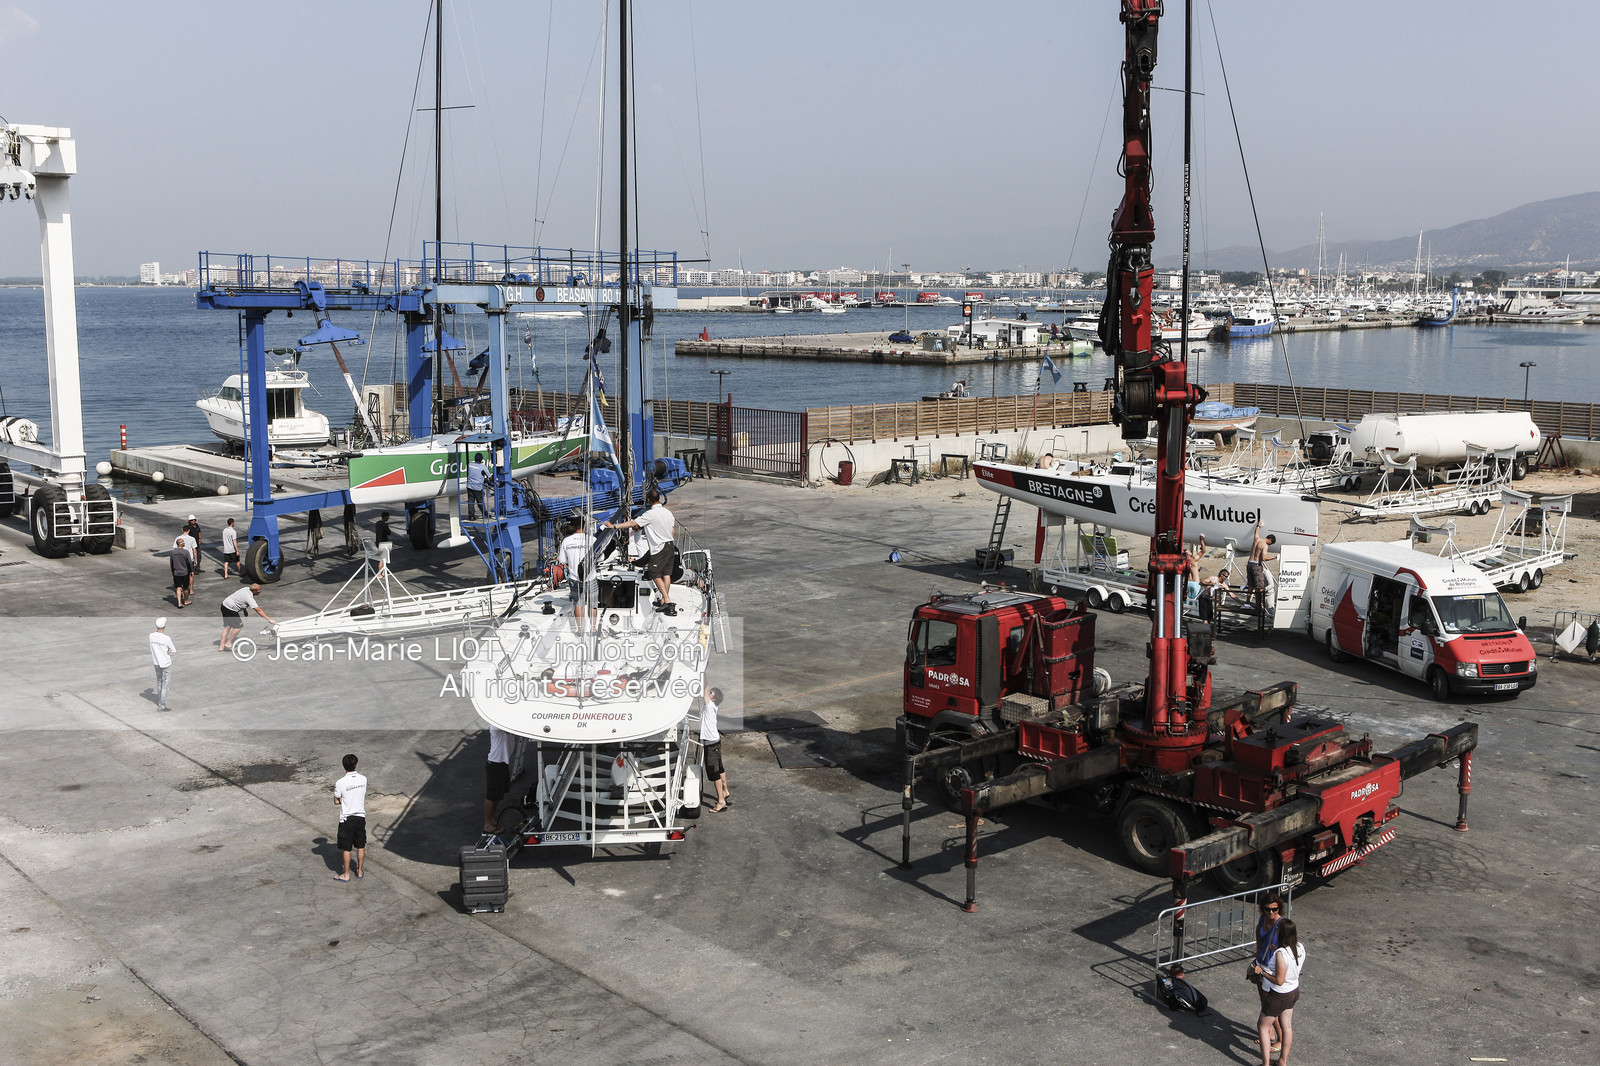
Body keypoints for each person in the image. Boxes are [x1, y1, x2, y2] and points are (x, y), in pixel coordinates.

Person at [604, 489, 678, 615]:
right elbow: (672, 532)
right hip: (670, 545)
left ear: (648, 500)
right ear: (659, 498)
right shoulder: (668, 513)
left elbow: (633, 523)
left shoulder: (650, 514)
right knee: (666, 573)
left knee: (654, 574)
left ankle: (667, 601)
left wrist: (614, 526)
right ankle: (663, 600)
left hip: (659, 548)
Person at [1254, 917, 1304, 1066]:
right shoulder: (1299, 947)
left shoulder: (1281, 954)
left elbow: (1279, 980)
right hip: (1294, 990)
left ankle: (1266, 1064)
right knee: (1287, 1026)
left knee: (1262, 1026)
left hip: (1280, 994)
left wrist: (1261, 972)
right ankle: (1282, 1061)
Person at [1252, 893, 1286, 1049]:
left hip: (1273, 970)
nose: (1271, 913)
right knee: (1265, 1003)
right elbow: (1259, 933)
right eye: (1267, 909)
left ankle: (1281, 1040)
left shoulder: (1282, 924)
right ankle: (1270, 1033)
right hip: (1261, 965)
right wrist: (1258, 950)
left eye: (1274, 909)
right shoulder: (1262, 919)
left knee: (1272, 1007)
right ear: (1263, 909)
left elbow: (1289, 947)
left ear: (1279, 908)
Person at [332, 753, 367, 882]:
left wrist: (341, 800)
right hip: (360, 817)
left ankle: (346, 874)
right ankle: (359, 871)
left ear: (344, 766)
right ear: (355, 764)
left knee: (346, 847)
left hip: (347, 818)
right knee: (360, 845)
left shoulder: (340, 782)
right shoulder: (363, 779)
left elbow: (336, 800)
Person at [558, 516, 596, 631]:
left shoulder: (566, 541)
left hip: (574, 578)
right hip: (590, 577)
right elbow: (601, 557)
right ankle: (593, 629)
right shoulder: (592, 540)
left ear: (573, 527)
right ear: (585, 526)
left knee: (578, 603)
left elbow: (562, 561)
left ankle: (580, 630)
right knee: (592, 604)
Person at [220, 583, 276, 652]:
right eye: (259, 591)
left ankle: (221, 647)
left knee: (227, 626)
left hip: (224, 605)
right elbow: (258, 610)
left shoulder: (246, 588)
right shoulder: (249, 598)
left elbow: (240, 599)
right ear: (254, 591)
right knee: (238, 627)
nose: (259, 592)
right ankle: (228, 644)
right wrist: (269, 619)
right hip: (231, 609)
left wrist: (244, 610)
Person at [702, 687, 729, 812]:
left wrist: (702, 675)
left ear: (713, 697)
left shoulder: (709, 706)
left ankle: (721, 801)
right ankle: (725, 791)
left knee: (714, 773)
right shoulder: (713, 706)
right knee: (720, 766)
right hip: (716, 741)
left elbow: (704, 691)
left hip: (711, 744)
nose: (708, 693)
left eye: (711, 692)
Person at [482, 725, 511, 833]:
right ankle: (487, 824)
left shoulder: (505, 721)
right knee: (491, 796)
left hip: (502, 764)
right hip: (495, 765)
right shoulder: (497, 724)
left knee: (497, 795)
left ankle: (491, 818)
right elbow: (510, 730)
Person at [149, 617, 176, 712]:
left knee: (159, 682)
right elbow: (173, 649)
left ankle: (160, 700)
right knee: (165, 684)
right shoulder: (166, 638)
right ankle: (162, 705)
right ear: (164, 626)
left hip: (156, 662)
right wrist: (168, 650)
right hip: (166, 663)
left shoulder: (151, 636)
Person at [1247, 523, 1277, 590]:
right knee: (1259, 586)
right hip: (1256, 565)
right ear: (1270, 540)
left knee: (1251, 585)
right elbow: (1264, 558)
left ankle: (1248, 600)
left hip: (1249, 563)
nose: (1270, 545)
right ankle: (1258, 601)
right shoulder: (1265, 545)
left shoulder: (1256, 539)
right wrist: (1274, 557)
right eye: (1271, 543)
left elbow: (1256, 531)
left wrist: (1259, 525)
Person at [170, 534, 193, 608]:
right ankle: (186, 600)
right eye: (183, 542)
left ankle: (179, 603)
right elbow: (189, 562)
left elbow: (171, 563)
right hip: (184, 572)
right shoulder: (186, 552)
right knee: (185, 588)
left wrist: (173, 572)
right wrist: (192, 571)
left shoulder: (173, 553)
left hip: (176, 572)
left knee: (178, 587)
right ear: (182, 544)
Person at [466, 452, 488, 518]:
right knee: (480, 502)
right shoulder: (482, 467)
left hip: (470, 486)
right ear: (481, 460)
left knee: (471, 502)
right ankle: (485, 514)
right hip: (478, 487)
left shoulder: (470, 464)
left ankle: (471, 516)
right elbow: (489, 476)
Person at [374, 511, 392, 576]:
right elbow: (389, 532)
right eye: (388, 517)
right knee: (382, 559)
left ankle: (384, 573)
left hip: (378, 543)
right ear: (385, 517)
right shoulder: (384, 525)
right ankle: (379, 574)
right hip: (383, 543)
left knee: (384, 558)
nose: (388, 518)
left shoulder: (377, 523)